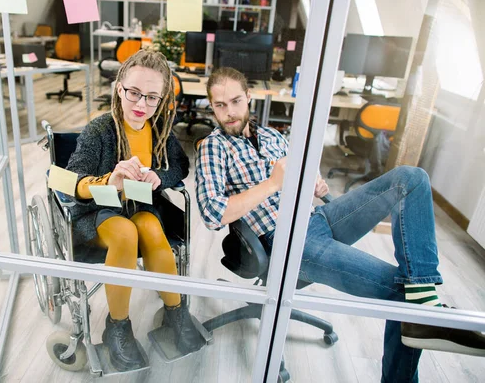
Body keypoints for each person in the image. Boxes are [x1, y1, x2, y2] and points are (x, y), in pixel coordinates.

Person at [195, 67, 485, 382]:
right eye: (220, 105)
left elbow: (299, 176)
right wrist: (272, 184)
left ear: (249, 96)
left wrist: (312, 183)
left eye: (236, 101)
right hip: (287, 242)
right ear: (211, 107)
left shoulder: (273, 136)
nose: (229, 112)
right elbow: (213, 213)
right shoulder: (213, 146)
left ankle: (425, 300)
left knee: (411, 179)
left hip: (317, 219)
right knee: (402, 292)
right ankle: (422, 319)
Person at [66, 49, 205, 372]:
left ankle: (176, 313)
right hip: (100, 211)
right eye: (134, 93)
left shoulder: (159, 131)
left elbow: (181, 165)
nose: (141, 105)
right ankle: (118, 325)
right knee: (126, 233)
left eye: (152, 98)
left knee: (152, 229)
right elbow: (71, 180)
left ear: (162, 100)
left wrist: (161, 176)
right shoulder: (99, 130)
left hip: (142, 206)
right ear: (119, 88)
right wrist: (110, 180)